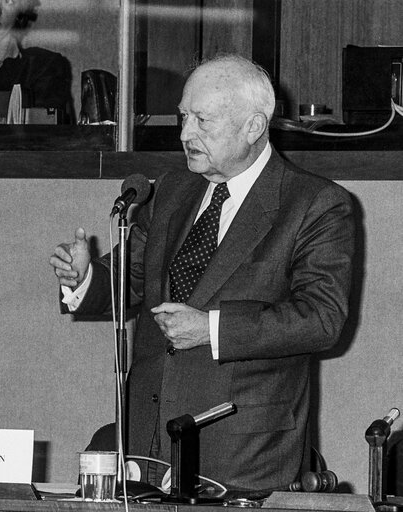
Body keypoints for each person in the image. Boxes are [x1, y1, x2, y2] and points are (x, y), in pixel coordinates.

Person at [49, 54, 356, 491]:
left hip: (243, 452)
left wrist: (211, 329)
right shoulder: (173, 191)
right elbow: (131, 278)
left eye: (202, 120)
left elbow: (321, 319)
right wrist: (85, 279)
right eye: (183, 117)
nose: (184, 134)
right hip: (147, 446)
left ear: (253, 126)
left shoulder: (315, 204)